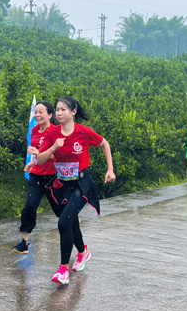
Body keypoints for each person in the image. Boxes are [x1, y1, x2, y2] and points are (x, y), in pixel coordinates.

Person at [36, 96, 116, 285]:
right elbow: (39, 160)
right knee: (71, 223)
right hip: (62, 185)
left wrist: (110, 169)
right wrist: (54, 147)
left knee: (64, 223)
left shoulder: (83, 132)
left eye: (63, 109)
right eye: (57, 109)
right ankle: (83, 252)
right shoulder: (52, 133)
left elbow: (105, 143)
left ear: (73, 112)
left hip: (82, 184)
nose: (59, 113)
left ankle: (63, 269)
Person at [12, 101, 61, 255]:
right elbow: (36, 153)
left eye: (41, 112)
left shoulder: (56, 132)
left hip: (53, 177)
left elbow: (58, 156)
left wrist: (39, 153)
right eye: (36, 112)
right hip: (36, 175)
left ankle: (73, 232)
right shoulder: (34, 130)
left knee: (61, 211)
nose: (38, 115)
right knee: (29, 207)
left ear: (50, 115)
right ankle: (24, 242)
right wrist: (32, 163)